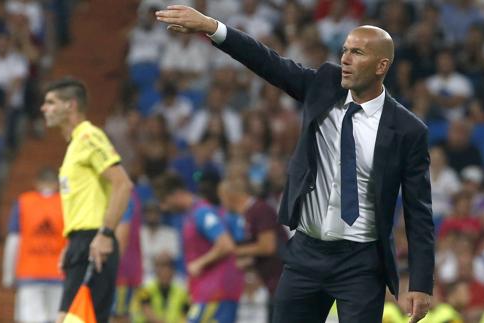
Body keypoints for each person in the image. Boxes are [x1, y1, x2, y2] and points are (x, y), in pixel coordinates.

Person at [156, 6, 434, 323]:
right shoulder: (324, 85)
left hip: (361, 262)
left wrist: (422, 283)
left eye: (357, 53)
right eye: (345, 50)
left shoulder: (408, 130)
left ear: (382, 65)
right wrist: (212, 27)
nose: (345, 58)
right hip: (306, 253)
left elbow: (418, 212)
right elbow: (267, 62)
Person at [40, 78, 134, 323]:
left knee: (76, 320)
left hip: (94, 241)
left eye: (50, 102)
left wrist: (104, 234)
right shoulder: (74, 146)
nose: (44, 108)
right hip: (80, 242)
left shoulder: (89, 137)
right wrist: (70, 245)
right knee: (71, 319)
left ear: (71, 105)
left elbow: (123, 184)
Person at [157, 174, 244, 323]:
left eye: (164, 201)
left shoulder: (202, 212)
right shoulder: (190, 215)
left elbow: (226, 244)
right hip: (206, 292)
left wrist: (200, 263)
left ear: (176, 194)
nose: (163, 207)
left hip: (217, 291)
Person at [2, 166, 67, 323]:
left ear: (36, 183)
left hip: (29, 272)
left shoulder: (23, 202)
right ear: (57, 184)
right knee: (56, 318)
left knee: (31, 319)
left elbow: (13, 241)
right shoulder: (66, 204)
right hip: (59, 273)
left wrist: (9, 275)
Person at [218, 178, 288, 322]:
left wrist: (233, 250)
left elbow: (268, 246)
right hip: (271, 283)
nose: (222, 203)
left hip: (281, 280)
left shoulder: (260, 210)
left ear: (230, 195)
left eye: (222, 197)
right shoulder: (249, 214)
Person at [130, 254, 189, 323]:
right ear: (156, 270)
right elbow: (147, 311)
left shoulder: (181, 291)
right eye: (161, 267)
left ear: (173, 271)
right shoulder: (145, 288)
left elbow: (185, 315)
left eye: (168, 267)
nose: (164, 271)